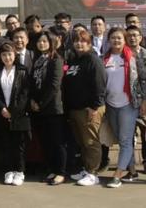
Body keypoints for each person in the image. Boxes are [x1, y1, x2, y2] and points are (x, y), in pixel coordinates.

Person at [101, 28, 146, 188]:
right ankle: (132, 171)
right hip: (110, 104)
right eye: (113, 38)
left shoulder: (133, 57)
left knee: (126, 140)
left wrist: (144, 101)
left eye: (119, 38)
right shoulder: (104, 58)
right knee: (121, 140)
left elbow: (143, 79)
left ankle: (117, 175)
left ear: (124, 40)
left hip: (128, 104)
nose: (116, 41)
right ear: (109, 40)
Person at [62, 28, 106, 186]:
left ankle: (93, 173)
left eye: (83, 41)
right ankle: (86, 169)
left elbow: (100, 85)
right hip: (75, 109)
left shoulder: (93, 60)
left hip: (89, 109)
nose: (79, 44)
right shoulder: (74, 60)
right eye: (76, 41)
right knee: (82, 142)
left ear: (89, 43)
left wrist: (94, 107)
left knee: (90, 142)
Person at [0, 42, 30, 186]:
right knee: (5, 144)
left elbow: (25, 94)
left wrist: (13, 111)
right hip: (2, 113)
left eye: (10, 54)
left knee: (19, 145)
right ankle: (9, 171)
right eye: (4, 55)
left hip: (19, 115)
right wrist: (2, 109)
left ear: (15, 55)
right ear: (0, 57)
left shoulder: (23, 70)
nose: (7, 57)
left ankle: (19, 172)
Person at [29, 31, 67, 185]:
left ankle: (61, 172)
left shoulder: (56, 59)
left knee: (57, 142)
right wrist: (32, 101)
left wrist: (41, 103)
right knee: (46, 142)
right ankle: (52, 169)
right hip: (38, 108)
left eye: (45, 41)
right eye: (40, 41)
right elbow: (33, 83)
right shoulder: (38, 60)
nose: (42, 44)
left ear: (51, 43)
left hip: (52, 108)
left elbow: (54, 86)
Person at [126, 25, 146, 174]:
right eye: (129, 35)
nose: (132, 38)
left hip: (143, 100)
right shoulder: (122, 54)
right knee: (128, 134)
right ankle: (129, 165)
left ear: (140, 38)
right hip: (126, 101)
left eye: (135, 35)